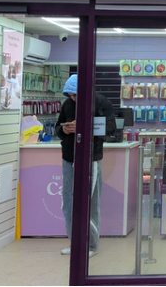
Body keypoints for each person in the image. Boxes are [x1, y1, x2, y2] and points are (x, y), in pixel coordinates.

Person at [55, 74, 115, 258]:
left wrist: (85, 127)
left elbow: (111, 128)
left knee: (90, 202)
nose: (73, 98)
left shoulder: (101, 102)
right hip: (69, 158)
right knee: (68, 202)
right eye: (70, 95)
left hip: (91, 159)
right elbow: (58, 128)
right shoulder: (67, 105)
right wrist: (65, 129)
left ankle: (91, 246)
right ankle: (75, 243)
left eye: (76, 94)